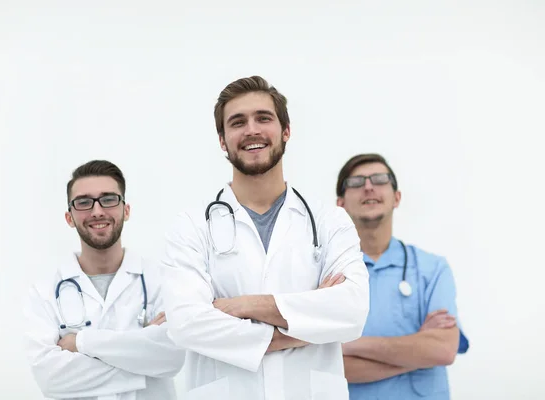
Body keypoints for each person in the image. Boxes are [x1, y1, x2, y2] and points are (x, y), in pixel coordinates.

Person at [159, 76, 370, 400]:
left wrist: (244, 306)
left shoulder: (329, 221)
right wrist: (303, 328)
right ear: (222, 139)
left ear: (286, 131)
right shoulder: (192, 226)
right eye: (237, 122)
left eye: (263, 118)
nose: (251, 130)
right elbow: (186, 323)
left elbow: (352, 312)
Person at [23, 160, 185, 400]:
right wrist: (141, 358)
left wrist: (81, 342)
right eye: (84, 202)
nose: (97, 211)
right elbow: (51, 379)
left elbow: (172, 358)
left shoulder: (162, 280)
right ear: (70, 217)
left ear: (126, 210)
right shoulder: (44, 291)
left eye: (108, 199)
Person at [335, 153, 470, 400]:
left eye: (379, 179)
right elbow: (329, 366)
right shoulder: (327, 274)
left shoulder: (432, 269)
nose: (368, 187)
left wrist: (350, 346)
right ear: (340, 203)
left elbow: (443, 350)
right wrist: (418, 351)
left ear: (397, 198)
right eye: (356, 182)